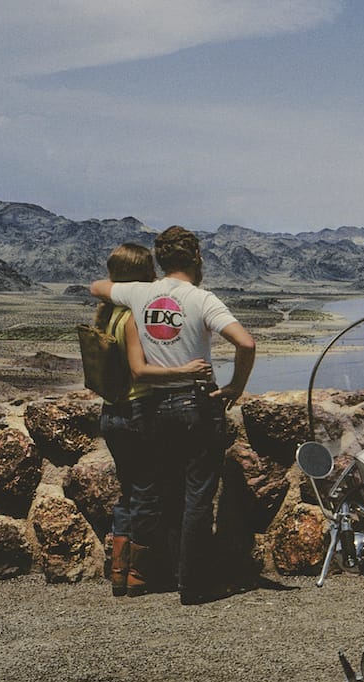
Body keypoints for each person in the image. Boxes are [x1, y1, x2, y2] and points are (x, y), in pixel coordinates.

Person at [91, 226, 256, 605]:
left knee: (168, 491)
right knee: (197, 494)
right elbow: (246, 342)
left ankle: (161, 572)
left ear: (161, 260)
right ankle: (192, 583)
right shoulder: (202, 299)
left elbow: (97, 287)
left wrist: (126, 285)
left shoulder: (140, 293)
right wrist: (235, 386)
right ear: (197, 257)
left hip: (153, 409)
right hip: (196, 404)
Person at [94, 243, 212, 597]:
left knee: (128, 491)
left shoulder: (108, 314)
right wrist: (186, 371)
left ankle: (119, 571)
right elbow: (139, 371)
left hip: (111, 412)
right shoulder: (133, 316)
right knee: (146, 492)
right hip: (136, 411)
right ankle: (139, 574)